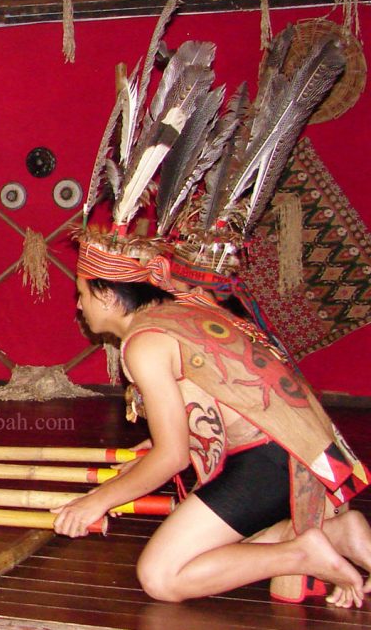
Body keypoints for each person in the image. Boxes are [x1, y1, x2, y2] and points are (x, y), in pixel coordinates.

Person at [56, 260, 371, 607]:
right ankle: (339, 535)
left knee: (162, 576)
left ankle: (303, 553)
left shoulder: (144, 344)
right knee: (226, 556)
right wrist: (154, 453)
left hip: (269, 460)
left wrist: (97, 501)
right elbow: (212, 402)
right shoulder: (181, 311)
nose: (79, 305)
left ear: (109, 296)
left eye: (83, 293)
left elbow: (171, 457)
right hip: (299, 451)